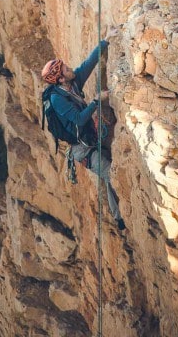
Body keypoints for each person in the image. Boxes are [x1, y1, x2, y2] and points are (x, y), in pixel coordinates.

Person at [41, 41, 124, 230]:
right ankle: (120, 217)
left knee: (108, 175)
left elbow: (88, 64)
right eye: (66, 69)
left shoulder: (72, 84)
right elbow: (78, 119)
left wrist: (106, 40)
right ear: (61, 79)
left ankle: (118, 217)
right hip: (82, 150)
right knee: (111, 173)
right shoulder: (57, 99)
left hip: (90, 139)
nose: (71, 69)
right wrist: (96, 101)